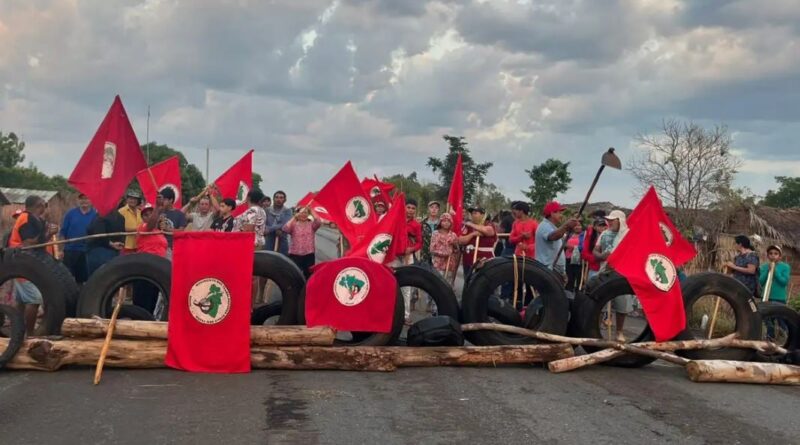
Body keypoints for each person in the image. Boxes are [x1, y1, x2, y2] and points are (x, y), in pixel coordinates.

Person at [8, 195, 58, 335]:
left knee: (22, 299)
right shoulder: (26, 218)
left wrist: (48, 230)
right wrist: (49, 234)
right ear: (38, 206)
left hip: (28, 263)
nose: (45, 207)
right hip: (24, 263)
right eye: (44, 205)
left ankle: (17, 329)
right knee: (34, 299)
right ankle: (29, 333)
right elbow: (29, 243)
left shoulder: (36, 219)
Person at [592, 210, 632, 342]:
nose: (609, 222)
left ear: (620, 220)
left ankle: (619, 331)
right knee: (598, 301)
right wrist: (601, 256)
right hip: (605, 271)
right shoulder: (604, 234)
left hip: (622, 273)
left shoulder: (628, 235)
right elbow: (595, 250)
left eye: (612, 220)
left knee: (622, 303)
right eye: (608, 220)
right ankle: (595, 330)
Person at [59, 193, 97, 284]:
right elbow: (63, 232)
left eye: (86, 198)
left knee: (83, 279)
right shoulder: (71, 214)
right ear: (78, 200)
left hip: (86, 251)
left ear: (91, 200)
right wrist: (61, 250)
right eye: (82, 199)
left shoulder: (95, 215)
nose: (84, 201)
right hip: (70, 250)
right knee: (67, 277)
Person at [534, 201, 579, 279]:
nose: (561, 215)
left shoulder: (551, 226)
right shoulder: (545, 226)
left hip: (553, 270)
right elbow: (553, 236)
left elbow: (559, 236)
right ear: (552, 213)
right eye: (559, 213)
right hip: (549, 270)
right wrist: (566, 226)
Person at [282, 207, 322, 279]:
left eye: (306, 212)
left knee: (309, 275)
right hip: (295, 254)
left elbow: (318, 221)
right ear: (297, 214)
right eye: (301, 212)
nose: (303, 214)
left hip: (309, 254)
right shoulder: (294, 224)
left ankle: (307, 289)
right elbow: (285, 228)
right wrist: (294, 217)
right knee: (295, 275)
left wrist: (311, 211)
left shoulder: (312, 225)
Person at [86, 206, 126, 277]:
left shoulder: (101, 216)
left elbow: (99, 234)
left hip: (99, 252)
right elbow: (122, 235)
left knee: (98, 278)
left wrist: (111, 244)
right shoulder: (121, 217)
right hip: (114, 252)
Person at [458, 206, 497, 278]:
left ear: (482, 215)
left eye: (475, 213)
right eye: (472, 213)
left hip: (484, 260)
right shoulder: (467, 226)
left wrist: (472, 225)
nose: (473, 215)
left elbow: (489, 231)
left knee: (483, 282)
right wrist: (472, 234)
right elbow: (460, 241)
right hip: (468, 260)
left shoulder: (489, 224)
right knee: (468, 282)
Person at [429, 213, 459, 282]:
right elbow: (432, 249)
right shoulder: (435, 234)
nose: (446, 223)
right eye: (444, 221)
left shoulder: (453, 235)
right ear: (440, 222)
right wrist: (445, 253)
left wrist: (454, 245)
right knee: (437, 283)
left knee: (447, 285)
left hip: (449, 265)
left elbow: (457, 250)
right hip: (438, 265)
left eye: (448, 221)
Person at [265, 190, 292, 255]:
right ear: (273, 199)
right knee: (268, 257)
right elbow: (264, 222)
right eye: (276, 197)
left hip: (282, 237)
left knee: (282, 259)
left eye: (281, 197)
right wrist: (266, 229)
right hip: (269, 238)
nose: (278, 199)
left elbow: (285, 223)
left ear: (285, 200)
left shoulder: (287, 211)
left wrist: (270, 229)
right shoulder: (267, 210)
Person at [581, 216, 607, 282]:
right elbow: (584, 253)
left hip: (606, 269)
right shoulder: (590, 238)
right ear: (594, 227)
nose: (602, 227)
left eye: (604, 225)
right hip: (594, 268)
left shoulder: (610, 237)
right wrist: (596, 258)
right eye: (599, 225)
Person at [420, 201, 441, 266]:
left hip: (438, 256)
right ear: (428, 209)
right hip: (424, 255)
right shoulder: (422, 223)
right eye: (432, 207)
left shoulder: (442, 224)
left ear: (438, 210)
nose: (434, 209)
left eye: (436, 208)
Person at [565, 222, 584, 291]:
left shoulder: (584, 235)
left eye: (579, 225)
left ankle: (578, 293)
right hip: (568, 258)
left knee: (579, 277)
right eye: (575, 226)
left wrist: (572, 247)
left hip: (578, 260)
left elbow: (583, 247)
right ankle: (568, 291)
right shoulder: (569, 235)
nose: (577, 227)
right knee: (569, 277)